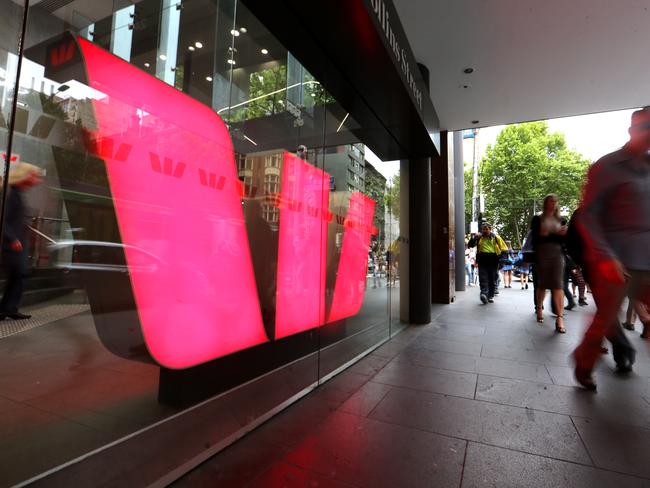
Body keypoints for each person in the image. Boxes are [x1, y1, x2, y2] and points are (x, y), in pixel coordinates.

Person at [573, 107, 650, 390]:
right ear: (631, 130)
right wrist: (604, 255)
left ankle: (618, 353)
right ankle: (584, 361)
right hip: (616, 259)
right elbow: (588, 216)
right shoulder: (607, 167)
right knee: (606, 318)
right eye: (645, 127)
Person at [0, 162, 43, 320]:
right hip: (12, 244)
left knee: (17, 275)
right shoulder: (12, 194)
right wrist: (12, 238)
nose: (37, 179)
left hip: (16, 242)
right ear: (25, 175)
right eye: (34, 175)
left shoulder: (17, 193)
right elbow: (3, 219)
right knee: (19, 274)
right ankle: (8, 308)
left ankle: (7, 308)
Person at [531, 195, 567, 333]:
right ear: (545, 203)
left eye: (554, 201)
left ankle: (560, 317)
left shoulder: (561, 219)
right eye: (549, 201)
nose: (551, 204)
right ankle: (539, 308)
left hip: (558, 254)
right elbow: (537, 238)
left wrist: (559, 235)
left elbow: (563, 240)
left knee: (558, 284)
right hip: (542, 253)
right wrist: (555, 234)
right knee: (543, 284)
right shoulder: (537, 219)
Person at [468, 222, 507, 304]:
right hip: (482, 259)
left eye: (486, 229)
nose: (484, 231)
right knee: (483, 277)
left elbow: (504, 249)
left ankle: (490, 295)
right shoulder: (479, 238)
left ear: (490, 229)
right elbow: (470, 245)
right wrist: (474, 238)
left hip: (493, 259)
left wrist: (502, 261)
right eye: (483, 229)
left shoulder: (496, 238)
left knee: (492, 278)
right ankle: (484, 294)